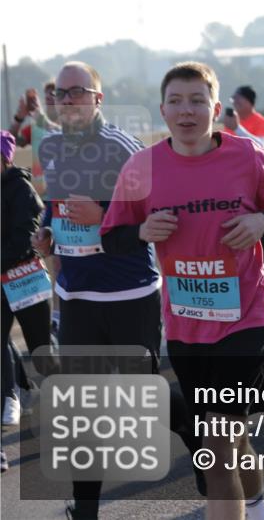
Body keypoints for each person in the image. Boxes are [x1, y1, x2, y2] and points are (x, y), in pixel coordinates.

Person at [101, 61, 264, 520]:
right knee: (231, 436)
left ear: (215, 108)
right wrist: (143, 230)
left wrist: (261, 222)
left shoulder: (246, 155)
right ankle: (261, 507)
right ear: (163, 110)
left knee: (215, 439)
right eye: (175, 101)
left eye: (196, 101)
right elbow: (112, 237)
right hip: (187, 325)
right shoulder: (141, 167)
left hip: (246, 318)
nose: (185, 111)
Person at [30, 62, 169, 519]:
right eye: (61, 93)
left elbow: (155, 215)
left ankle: (205, 446)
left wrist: (103, 214)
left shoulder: (123, 148)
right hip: (76, 296)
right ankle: (86, 509)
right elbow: (57, 205)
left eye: (77, 91)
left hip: (128, 293)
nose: (68, 100)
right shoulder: (50, 147)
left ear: (97, 99)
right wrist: (48, 233)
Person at [1, 130, 53, 429]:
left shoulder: (21, 189)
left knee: (41, 350)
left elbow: (24, 239)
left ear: (4, 160)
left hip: (25, 279)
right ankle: (10, 396)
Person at [222, 85, 264, 297]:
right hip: (235, 186)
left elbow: (261, 146)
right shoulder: (228, 126)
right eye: (233, 100)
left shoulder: (261, 122)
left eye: (238, 100)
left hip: (259, 184)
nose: (235, 104)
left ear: (249, 102)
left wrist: (238, 129)